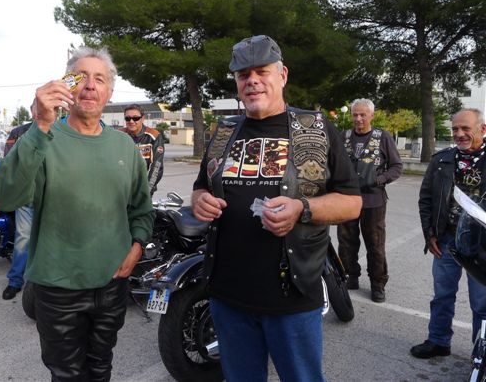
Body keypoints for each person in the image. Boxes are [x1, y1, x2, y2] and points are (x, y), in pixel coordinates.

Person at [191, 35, 362, 382]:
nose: (252, 80)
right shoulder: (224, 131)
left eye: (262, 72)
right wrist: (200, 200)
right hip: (228, 296)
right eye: (243, 74)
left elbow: (352, 202)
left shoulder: (316, 128)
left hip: (292, 298)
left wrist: (301, 208)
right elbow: (200, 186)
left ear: (282, 75)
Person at [0, 46, 154, 381]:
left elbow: (141, 208)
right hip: (58, 288)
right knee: (67, 375)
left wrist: (136, 247)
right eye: (81, 77)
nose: (90, 86)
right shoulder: (43, 137)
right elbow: (4, 195)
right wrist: (40, 125)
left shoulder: (125, 146)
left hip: (112, 284)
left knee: (101, 368)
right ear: (67, 86)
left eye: (100, 79)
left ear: (109, 92)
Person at [411, 108, 486, 359]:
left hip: (482, 246)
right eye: (455, 129)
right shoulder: (441, 160)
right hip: (446, 239)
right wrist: (429, 234)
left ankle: (480, 355)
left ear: (482, 129)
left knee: (482, 304)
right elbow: (426, 199)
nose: (459, 134)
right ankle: (438, 341)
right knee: (442, 295)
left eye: (466, 128)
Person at [336, 98, 403, 302]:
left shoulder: (383, 137)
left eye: (362, 114)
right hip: (347, 199)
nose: (358, 118)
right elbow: (334, 162)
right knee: (346, 242)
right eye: (355, 114)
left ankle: (377, 284)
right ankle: (350, 276)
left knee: (375, 244)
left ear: (372, 116)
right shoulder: (344, 136)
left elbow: (396, 167)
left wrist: (379, 180)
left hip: (373, 200)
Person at [1, 103, 37, 300]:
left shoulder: (63, 131)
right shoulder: (18, 132)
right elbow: (8, 161)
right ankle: (15, 281)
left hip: (54, 196)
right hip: (26, 195)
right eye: (38, 107)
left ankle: (49, 282)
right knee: (23, 237)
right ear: (32, 110)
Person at [120, 104, 164, 195]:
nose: (131, 121)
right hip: (120, 189)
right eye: (127, 118)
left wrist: (146, 190)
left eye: (135, 118)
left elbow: (157, 166)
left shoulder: (154, 136)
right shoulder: (118, 135)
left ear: (143, 118)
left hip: (143, 188)